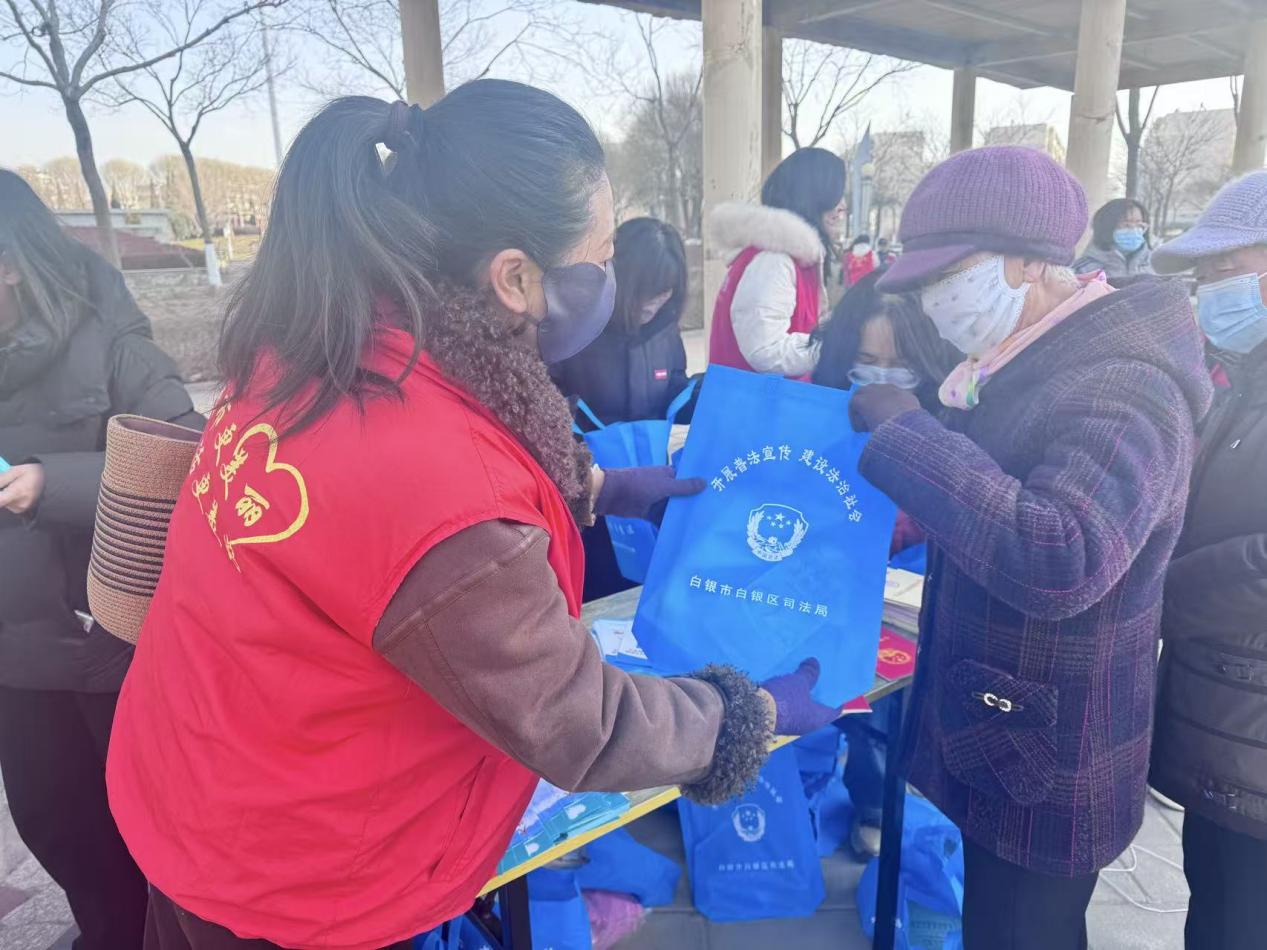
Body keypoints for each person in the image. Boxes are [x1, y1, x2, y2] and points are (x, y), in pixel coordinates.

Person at [105, 84, 836, 950]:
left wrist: (598, 486)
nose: (607, 280)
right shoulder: (441, 485)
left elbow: (364, 520)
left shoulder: (318, 343)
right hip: (304, 872)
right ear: (515, 278)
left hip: (201, 782)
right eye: (600, 256)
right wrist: (743, 714)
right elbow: (579, 721)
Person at [848, 146, 1211, 950]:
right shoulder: (1025, 355)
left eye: (950, 275)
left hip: (1049, 752)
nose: (934, 302)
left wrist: (906, 434)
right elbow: (993, 497)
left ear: (1030, 260)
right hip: (1005, 730)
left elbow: (1062, 556)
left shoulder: (1124, 384)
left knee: (1020, 932)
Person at [0, 169, 203, 950]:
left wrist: (50, 485)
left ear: (11, 264)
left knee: (150, 833)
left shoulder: (114, 343)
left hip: (111, 649)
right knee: (56, 826)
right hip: (16, 657)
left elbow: (192, 460)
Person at [1148, 170, 1267, 950]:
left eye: (1229, 268)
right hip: (1227, 728)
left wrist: (1155, 593)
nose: (1211, 291)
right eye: (1204, 276)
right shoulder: (1239, 380)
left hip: (1251, 738)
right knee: (1219, 907)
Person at [812, 272, 960, 857]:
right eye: (867, 362)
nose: (881, 378)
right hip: (829, 591)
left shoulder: (949, 424)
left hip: (905, 600)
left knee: (887, 709)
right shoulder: (822, 410)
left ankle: (875, 800)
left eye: (900, 366)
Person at [550, 216, 698, 600]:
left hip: (647, 490)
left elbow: (675, 390)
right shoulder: (574, 333)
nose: (656, 302)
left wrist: (699, 393)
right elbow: (547, 402)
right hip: (595, 497)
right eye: (648, 292)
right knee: (602, 593)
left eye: (665, 292)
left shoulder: (665, 331)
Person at [708, 147, 846, 378]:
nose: (841, 207)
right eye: (836, 196)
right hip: (752, 400)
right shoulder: (774, 260)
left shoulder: (789, 255)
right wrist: (834, 347)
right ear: (813, 197)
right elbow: (766, 350)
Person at [1074, 197, 1154, 280]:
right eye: (1126, 225)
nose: (1134, 230)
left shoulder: (1155, 264)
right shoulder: (1084, 269)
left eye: (1139, 225)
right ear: (1107, 227)